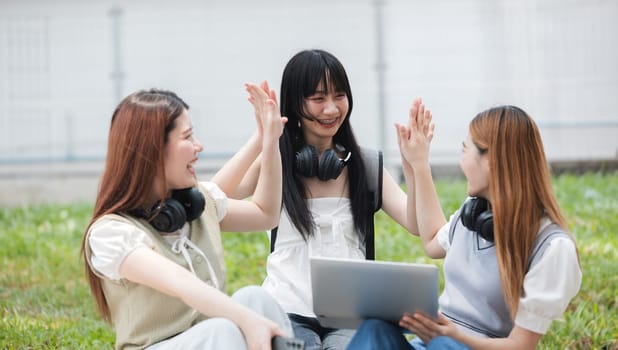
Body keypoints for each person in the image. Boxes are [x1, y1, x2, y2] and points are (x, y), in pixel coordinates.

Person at [212, 49, 422, 350]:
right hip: (286, 311)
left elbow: (415, 223)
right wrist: (264, 137)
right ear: (296, 103)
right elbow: (212, 199)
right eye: (318, 98)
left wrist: (416, 168)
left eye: (339, 96)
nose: (331, 109)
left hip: (351, 317)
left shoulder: (366, 165)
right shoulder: (275, 162)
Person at [346, 103, 582, 349]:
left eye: (464, 150)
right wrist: (418, 164)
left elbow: (520, 346)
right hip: (433, 343)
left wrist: (454, 336)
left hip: (464, 345)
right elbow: (431, 241)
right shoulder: (475, 213)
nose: (461, 161)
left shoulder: (553, 247)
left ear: (491, 160)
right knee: (374, 330)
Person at [80, 86, 293, 350]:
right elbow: (180, 283)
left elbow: (265, 214)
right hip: (166, 345)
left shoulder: (195, 205)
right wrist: (248, 322)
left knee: (255, 298)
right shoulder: (111, 234)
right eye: (188, 137)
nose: (199, 146)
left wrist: (268, 139)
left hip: (216, 339)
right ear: (154, 149)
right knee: (223, 329)